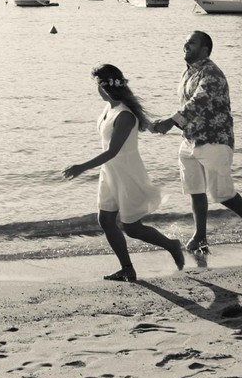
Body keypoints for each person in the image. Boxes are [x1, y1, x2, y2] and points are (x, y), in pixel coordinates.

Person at [63, 64, 185, 281]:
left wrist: (81, 167)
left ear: (104, 86)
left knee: (132, 227)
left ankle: (171, 245)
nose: (95, 89)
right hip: (109, 173)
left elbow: (112, 151)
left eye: (96, 84)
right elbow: (144, 128)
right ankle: (127, 268)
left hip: (127, 172)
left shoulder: (125, 115)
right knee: (106, 220)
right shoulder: (110, 108)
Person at [152, 31, 242, 253]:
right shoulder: (188, 73)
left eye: (191, 42)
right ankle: (200, 236)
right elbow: (189, 105)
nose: (186, 45)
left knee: (221, 192)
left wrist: (171, 121)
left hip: (214, 138)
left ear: (205, 49)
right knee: (194, 188)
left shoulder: (211, 72)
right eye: (185, 42)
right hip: (190, 138)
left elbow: (198, 102)